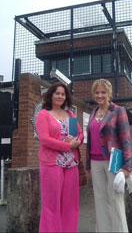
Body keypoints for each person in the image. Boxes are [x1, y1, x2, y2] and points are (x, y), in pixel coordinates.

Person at [86, 78, 132, 232]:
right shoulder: (93, 112)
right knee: (100, 200)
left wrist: (127, 167)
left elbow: (126, 139)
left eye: (103, 92)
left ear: (109, 94)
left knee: (115, 199)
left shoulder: (118, 111)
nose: (100, 95)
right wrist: (88, 164)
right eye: (97, 92)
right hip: (95, 162)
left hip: (112, 162)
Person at [36, 82, 84, 233]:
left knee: (70, 204)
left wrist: (77, 141)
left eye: (63, 94)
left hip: (71, 164)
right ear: (50, 95)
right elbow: (44, 139)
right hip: (52, 164)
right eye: (57, 93)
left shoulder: (70, 114)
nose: (60, 96)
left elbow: (80, 134)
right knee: (51, 205)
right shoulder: (43, 114)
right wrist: (67, 146)